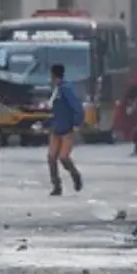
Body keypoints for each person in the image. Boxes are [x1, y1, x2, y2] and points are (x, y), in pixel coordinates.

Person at [46, 64, 84, 196]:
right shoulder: (55, 90)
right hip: (56, 127)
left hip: (67, 128)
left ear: (53, 75)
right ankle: (56, 185)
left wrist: (76, 123)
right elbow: (54, 111)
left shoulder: (66, 89)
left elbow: (77, 106)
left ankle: (75, 175)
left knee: (63, 157)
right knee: (51, 157)